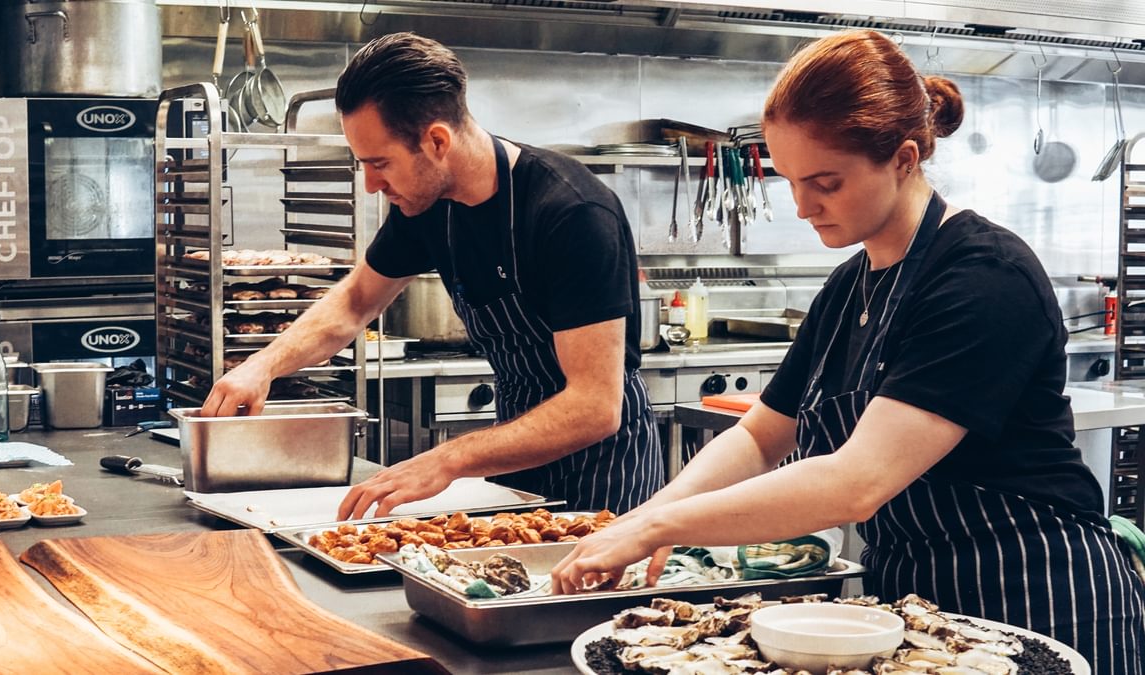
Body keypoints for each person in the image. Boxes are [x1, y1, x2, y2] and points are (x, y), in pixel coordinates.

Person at [551, 29, 1145, 672]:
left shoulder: (984, 276)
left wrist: (658, 529)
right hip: (916, 613)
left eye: (826, 182)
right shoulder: (848, 285)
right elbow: (760, 437)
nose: (804, 206)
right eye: (790, 182)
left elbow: (856, 483)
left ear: (905, 158)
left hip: (1036, 596)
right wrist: (644, 518)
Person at [201, 32, 665, 520]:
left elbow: (594, 406)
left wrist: (448, 459)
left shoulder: (571, 212)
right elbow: (357, 301)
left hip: (604, 474)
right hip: (514, 454)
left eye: (380, 164)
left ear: (437, 141)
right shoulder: (427, 207)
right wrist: (262, 366)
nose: (372, 184)